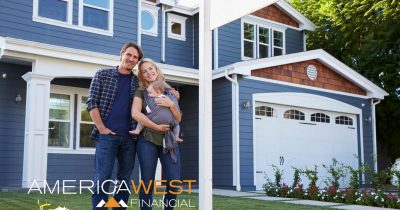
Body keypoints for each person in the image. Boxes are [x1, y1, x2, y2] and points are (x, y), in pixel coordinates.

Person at [86, 42, 143, 210]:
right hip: (106, 137)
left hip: (129, 139)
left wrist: (173, 92)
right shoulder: (103, 74)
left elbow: (158, 85)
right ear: (122, 53)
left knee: (124, 181)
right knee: (102, 178)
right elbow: (91, 102)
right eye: (129, 55)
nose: (131, 59)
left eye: (135, 57)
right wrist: (102, 128)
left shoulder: (138, 82)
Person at [131, 58, 182, 210]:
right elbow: (135, 113)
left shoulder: (168, 90)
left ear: (156, 69)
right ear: (141, 75)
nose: (149, 72)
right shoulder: (141, 91)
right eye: (144, 71)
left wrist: (171, 104)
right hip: (147, 139)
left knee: (174, 181)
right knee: (147, 181)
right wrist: (156, 126)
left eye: (151, 68)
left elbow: (178, 118)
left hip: (169, 140)